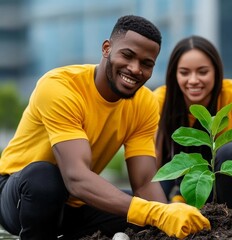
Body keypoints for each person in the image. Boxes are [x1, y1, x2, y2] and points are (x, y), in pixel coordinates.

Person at [0, 15, 209, 239]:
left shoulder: (145, 104)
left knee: (143, 217)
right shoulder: (59, 87)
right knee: (45, 178)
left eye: (146, 64)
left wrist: (169, 214)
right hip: (20, 196)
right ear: (107, 48)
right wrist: (153, 212)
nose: (135, 69)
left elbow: (145, 182)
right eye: (128, 56)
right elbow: (76, 177)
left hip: (75, 203)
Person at [154, 35, 232, 208]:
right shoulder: (161, 99)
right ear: (174, 74)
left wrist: (212, 167)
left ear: (216, 70)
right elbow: (153, 160)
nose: (193, 80)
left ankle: (231, 220)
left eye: (202, 72)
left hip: (226, 183)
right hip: (179, 184)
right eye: (184, 72)